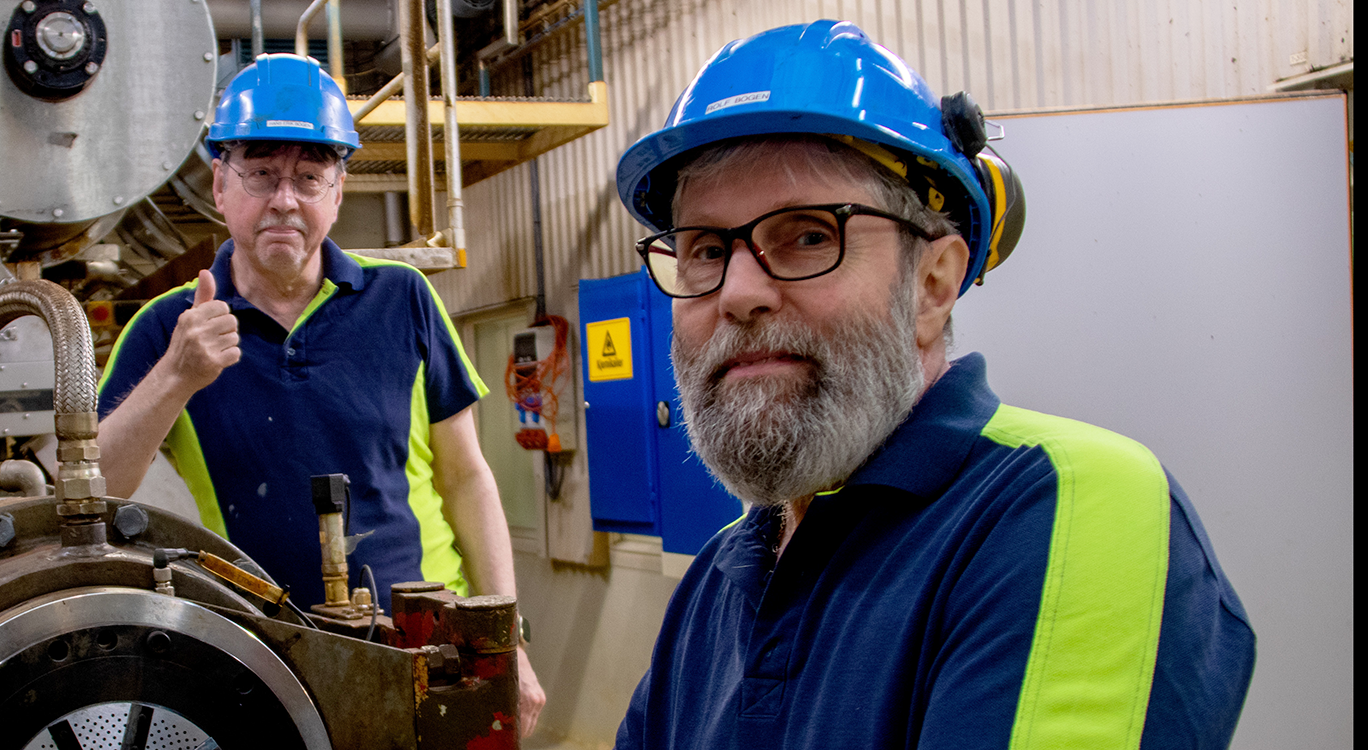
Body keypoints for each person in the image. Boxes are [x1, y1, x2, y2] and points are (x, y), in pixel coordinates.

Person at [609, 21, 1253, 749]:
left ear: (933, 283)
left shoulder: (1074, 506)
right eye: (704, 249)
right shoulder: (720, 578)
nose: (740, 291)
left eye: (810, 234)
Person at [96, 54, 545, 735]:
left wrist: (504, 636)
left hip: (422, 646)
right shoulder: (168, 325)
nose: (284, 198)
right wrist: (176, 376)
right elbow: (93, 497)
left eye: (309, 177)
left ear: (337, 192)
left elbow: (466, 479)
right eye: (261, 174)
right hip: (258, 656)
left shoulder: (405, 300)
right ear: (220, 185)